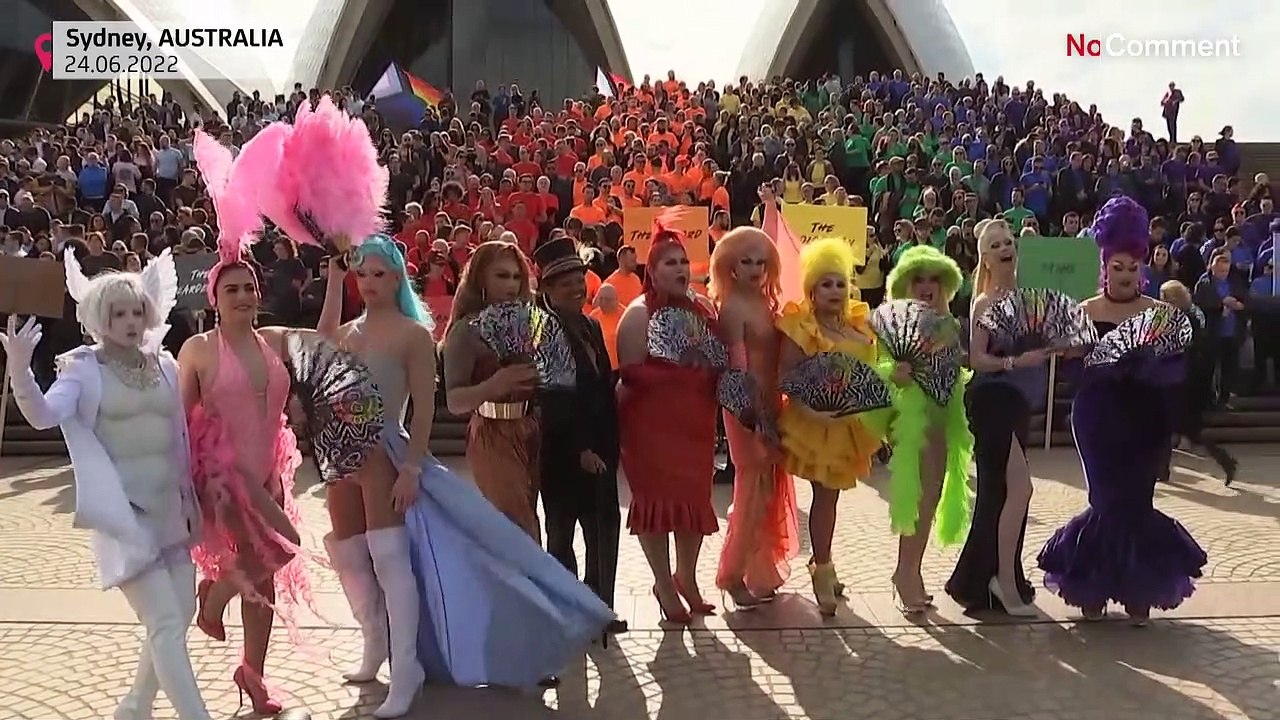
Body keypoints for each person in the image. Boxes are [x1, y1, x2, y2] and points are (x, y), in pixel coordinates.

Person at [1, 261, 214, 720]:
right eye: (118, 314)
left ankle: (135, 707)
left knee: (177, 619)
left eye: (137, 312)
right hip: (126, 518)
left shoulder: (165, 364)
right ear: (100, 318)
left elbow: (178, 438)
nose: (131, 323)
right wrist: (20, 371)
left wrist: (192, 499)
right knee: (164, 622)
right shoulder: (83, 370)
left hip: (172, 514)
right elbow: (42, 416)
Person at [177, 130, 313, 716]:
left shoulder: (272, 340)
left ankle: (253, 676)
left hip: (270, 472)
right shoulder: (198, 350)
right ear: (215, 298)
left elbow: (326, 336)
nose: (242, 295)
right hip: (225, 481)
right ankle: (213, 601)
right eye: (231, 288)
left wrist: (334, 272)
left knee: (266, 585)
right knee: (283, 549)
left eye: (249, 288)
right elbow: (181, 422)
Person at [1038, 196, 1207, 625]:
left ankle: (1137, 591)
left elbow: (1179, 369)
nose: (1127, 276)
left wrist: (1150, 366)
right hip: (1097, 417)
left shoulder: (1159, 313)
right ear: (1105, 266)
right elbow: (1070, 369)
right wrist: (1090, 359)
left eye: (1134, 268)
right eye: (1119, 268)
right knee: (1105, 500)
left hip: (1146, 420)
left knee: (1137, 501)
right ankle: (1091, 584)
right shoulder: (1085, 311)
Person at [315, 235, 433, 718]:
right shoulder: (348, 331)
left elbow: (425, 408)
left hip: (386, 450)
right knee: (347, 555)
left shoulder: (413, 334)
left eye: (378, 274)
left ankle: (406, 671)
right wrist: (334, 279)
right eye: (363, 274)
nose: (369, 283)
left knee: (389, 559)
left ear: (398, 276)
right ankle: (374, 644)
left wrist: (412, 466)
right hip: (343, 452)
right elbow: (319, 340)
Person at [616, 224, 720, 624]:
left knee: (694, 503)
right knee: (657, 507)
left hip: (695, 424)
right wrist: (676, 371)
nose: (679, 268)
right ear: (653, 272)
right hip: (650, 429)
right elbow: (627, 374)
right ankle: (663, 582)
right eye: (669, 263)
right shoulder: (639, 314)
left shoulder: (703, 310)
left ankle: (686, 578)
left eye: (682, 262)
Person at [774, 237, 882, 616]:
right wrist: (813, 411)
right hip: (814, 425)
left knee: (831, 498)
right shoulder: (802, 327)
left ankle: (824, 563)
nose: (835, 290)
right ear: (812, 290)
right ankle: (822, 571)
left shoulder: (858, 325)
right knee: (825, 497)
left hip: (850, 422)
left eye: (839, 283)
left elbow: (871, 371)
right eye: (826, 284)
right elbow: (785, 376)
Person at [946, 219, 1044, 616]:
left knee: (1000, 494)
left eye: (1009, 242)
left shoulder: (1030, 298)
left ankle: (989, 576)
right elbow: (977, 357)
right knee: (1019, 489)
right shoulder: (985, 302)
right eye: (996, 245)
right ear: (985, 258)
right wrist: (1015, 360)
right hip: (991, 400)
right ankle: (1001, 579)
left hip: (1018, 401)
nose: (1006, 248)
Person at [531, 236, 627, 634]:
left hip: (602, 446)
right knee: (562, 532)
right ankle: (565, 608)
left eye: (578, 279)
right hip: (562, 453)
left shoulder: (589, 325)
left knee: (603, 529)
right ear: (547, 291)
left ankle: (600, 606)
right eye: (564, 282)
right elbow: (552, 399)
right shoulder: (543, 331)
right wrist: (579, 449)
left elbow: (601, 386)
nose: (575, 288)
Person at [872, 245, 974, 614]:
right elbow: (877, 370)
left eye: (934, 279)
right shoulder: (891, 320)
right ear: (905, 284)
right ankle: (905, 574)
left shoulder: (948, 323)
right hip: (911, 418)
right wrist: (894, 374)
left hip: (942, 419)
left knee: (929, 499)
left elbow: (956, 372)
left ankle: (909, 571)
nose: (927, 286)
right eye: (919, 279)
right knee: (915, 498)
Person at [708, 227, 800, 610]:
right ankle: (732, 575)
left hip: (771, 403)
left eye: (761, 261)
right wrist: (755, 416)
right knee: (752, 487)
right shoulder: (731, 308)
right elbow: (736, 370)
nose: (754, 268)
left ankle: (758, 572)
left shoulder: (766, 302)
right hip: (744, 408)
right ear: (730, 265)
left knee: (769, 487)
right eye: (745, 261)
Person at [442, 241, 543, 539]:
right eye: (501, 276)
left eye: (516, 277)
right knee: (518, 528)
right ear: (480, 278)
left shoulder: (529, 320)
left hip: (532, 429)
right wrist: (495, 385)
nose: (511, 284)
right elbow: (454, 400)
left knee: (528, 518)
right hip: (491, 432)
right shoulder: (465, 330)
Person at [1158, 280, 1237, 485]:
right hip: (1179, 376)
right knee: (1178, 427)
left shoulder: (1186, 317)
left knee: (1177, 426)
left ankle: (1224, 460)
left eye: (1165, 298)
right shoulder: (1187, 315)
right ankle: (1162, 468)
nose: (1162, 301)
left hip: (1183, 378)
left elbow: (1185, 346)